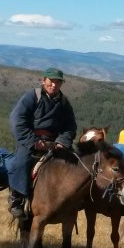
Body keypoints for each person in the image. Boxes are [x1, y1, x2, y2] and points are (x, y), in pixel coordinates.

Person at [6, 67, 78, 218]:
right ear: (43, 80)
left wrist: (62, 142)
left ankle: (74, 200)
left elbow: (70, 126)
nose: (54, 85)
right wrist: (33, 141)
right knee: (20, 163)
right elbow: (17, 120)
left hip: (54, 143)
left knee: (76, 163)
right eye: (51, 81)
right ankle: (16, 199)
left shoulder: (64, 103)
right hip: (31, 141)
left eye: (58, 82)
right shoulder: (32, 96)